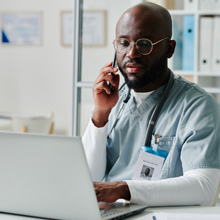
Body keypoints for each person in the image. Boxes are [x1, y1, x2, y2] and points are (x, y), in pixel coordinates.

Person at [82, 2, 220, 206]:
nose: (132, 54)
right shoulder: (111, 100)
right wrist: (100, 116)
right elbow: (86, 180)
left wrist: (123, 189)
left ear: (169, 49)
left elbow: (204, 187)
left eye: (144, 44)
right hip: (111, 214)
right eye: (123, 43)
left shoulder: (197, 105)